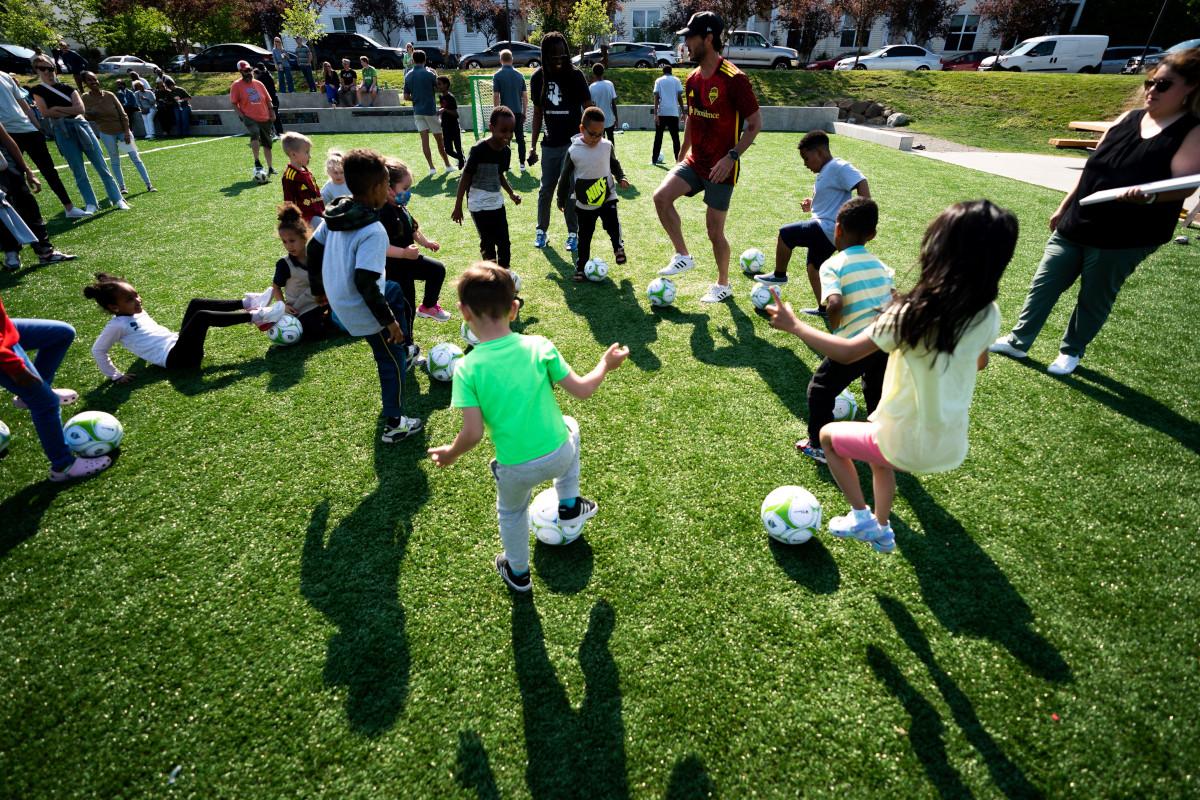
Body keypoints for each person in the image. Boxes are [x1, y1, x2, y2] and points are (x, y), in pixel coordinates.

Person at [766, 200, 1018, 554]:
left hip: (905, 441)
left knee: (828, 438)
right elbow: (979, 362)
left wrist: (796, 326)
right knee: (878, 456)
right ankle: (882, 528)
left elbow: (848, 352)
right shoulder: (987, 312)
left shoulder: (909, 314)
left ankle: (860, 514)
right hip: (949, 444)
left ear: (937, 249)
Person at [989, 49, 1200, 377]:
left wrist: (1147, 197)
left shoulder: (1191, 131)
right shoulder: (1127, 119)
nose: (1151, 90)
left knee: (1095, 296)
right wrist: (1064, 205)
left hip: (1127, 234)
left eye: (1163, 85)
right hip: (1079, 220)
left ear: (1190, 88)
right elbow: (1093, 168)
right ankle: (1018, 340)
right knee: (1045, 283)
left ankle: (1070, 352)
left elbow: (1183, 185)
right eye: (1150, 82)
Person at [427, 262, 629, 592]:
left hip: (515, 469)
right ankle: (569, 504)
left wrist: (450, 453)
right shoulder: (539, 346)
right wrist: (605, 364)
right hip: (559, 455)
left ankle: (518, 573)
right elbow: (583, 391)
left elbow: (473, 434)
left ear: (464, 312)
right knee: (570, 427)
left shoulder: (466, 368)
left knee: (511, 512)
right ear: (514, 309)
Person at [305, 148, 424, 442]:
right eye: (386, 185)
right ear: (375, 189)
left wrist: (319, 290)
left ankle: (405, 344)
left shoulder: (339, 210)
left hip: (339, 299)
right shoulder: (373, 230)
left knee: (395, 291)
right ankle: (395, 423)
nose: (389, 190)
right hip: (361, 308)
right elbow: (366, 282)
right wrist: (391, 324)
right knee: (391, 360)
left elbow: (313, 248)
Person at [653, 11, 762, 304]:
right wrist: (682, 151)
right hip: (695, 160)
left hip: (721, 167)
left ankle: (723, 284)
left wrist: (731, 157)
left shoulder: (735, 79)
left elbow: (755, 124)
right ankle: (683, 255)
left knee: (715, 232)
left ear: (708, 38)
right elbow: (692, 117)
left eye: (690, 37)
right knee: (661, 197)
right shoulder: (691, 79)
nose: (686, 43)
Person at [794, 198, 892, 464]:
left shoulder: (833, 265)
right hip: (882, 342)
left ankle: (819, 446)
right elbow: (893, 298)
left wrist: (836, 325)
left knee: (820, 389)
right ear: (872, 235)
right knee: (875, 390)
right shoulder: (882, 267)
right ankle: (880, 439)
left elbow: (834, 302)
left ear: (837, 229)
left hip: (854, 342)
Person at [85, 273, 285, 382]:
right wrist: (115, 375)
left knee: (195, 303)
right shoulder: (116, 326)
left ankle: (247, 303)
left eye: (136, 294)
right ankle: (257, 316)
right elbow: (98, 350)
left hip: (179, 344)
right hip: (178, 359)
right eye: (130, 299)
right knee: (201, 316)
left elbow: (144, 337)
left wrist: (143, 356)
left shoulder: (134, 312)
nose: (138, 299)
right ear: (114, 307)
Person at [755, 131, 870, 314]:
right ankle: (824, 308)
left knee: (786, 234)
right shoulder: (827, 171)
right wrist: (812, 203)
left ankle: (779, 275)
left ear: (819, 153)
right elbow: (831, 198)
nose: (805, 164)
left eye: (806, 158)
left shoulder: (838, 166)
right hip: (826, 230)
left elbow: (861, 181)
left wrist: (864, 215)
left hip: (827, 227)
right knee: (813, 268)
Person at [0, 296, 111, 481]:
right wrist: (17, 370)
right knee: (45, 404)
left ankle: (30, 397)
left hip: (5, 330)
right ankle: (64, 465)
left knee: (61, 333)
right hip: (3, 349)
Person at [27, 54, 128, 213]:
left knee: (101, 166)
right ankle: (91, 203)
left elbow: (80, 109)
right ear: (37, 70)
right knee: (78, 170)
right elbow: (45, 112)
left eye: (50, 68)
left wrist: (57, 110)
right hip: (62, 130)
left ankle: (117, 198)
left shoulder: (68, 87)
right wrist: (62, 111)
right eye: (42, 68)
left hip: (81, 127)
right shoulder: (37, 90)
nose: (47, 72)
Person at [529, 31, 591, 251]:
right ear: (544, 56)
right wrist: (532, 145)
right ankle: (541, 231)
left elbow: (589, 108)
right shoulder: (538, 78)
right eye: (553, 57)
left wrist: (593, 138)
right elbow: (537, 114)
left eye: (562, 56)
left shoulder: (576, 76)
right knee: (546, 189)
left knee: (571, 190)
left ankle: (573, 234)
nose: (558, 61)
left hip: (574, 144)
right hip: (550, 145)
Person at [556, 106, 629, 282]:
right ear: (582, 129)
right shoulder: (574, 150)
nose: (597, 138)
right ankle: (580, 268)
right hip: (584, 200)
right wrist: (561, 197)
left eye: (600, 134)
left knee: (613, 223)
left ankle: (618, 247)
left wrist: (621, 177)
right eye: (592, 134)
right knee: (585, 237)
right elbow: (564, 176)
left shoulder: (606, 146)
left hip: (607, 195)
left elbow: (614, 164)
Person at [0, 68, 85, 218]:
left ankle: (69, 208)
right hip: (7, 134)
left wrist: (37, 127)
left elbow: (23, 105)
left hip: (29, 130)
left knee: (50, 171)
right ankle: (22, 221)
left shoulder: (4, 76)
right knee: (15, 179)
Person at [382, 158, 451, 338]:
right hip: (395, 270)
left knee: (437, 270)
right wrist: (404, 253)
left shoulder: (400, 206)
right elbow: (380, 247)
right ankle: (407, 346)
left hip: (409, 262)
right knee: (406, 308)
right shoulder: (382, 212)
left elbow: (413, 230)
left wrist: (426, 242)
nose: (408, 193)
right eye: (405, 188)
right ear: (388, 189)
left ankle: (428, 306)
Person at [453, 107, 522, 270]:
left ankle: (505, 276)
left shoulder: (506, 152)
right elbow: (466, 177)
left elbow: (499, 175)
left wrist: (511, 193)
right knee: (488, 242)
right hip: (478, 204)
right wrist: (458, 205)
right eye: (503, 130)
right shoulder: (478, 150)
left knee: (504, 241)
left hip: (496, 202)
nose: (507, 135)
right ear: (491, 128)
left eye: (511, 131)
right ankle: (491, 276)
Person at [0, 120, 75, 269]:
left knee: (28, 206)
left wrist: (28, 171)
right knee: (2, 213)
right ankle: (11, 253)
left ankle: (45, 251)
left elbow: (8, 140)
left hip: (7, 167)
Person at [79, 72, 154, 195]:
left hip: (122, 131)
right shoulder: (85, 98)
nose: (93, 82)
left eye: (94, 79)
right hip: (106, 133)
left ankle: (149, 185)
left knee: (135, 158)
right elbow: (85, 116)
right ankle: (122, 187)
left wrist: (126, 132)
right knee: (114, 160)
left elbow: (123, 114)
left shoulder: (109, 95)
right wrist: (91, 115)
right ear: (85, 83)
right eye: (89, 80)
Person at [265, 203, 331, 340]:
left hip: (322, 303)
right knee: (315, 333)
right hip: (301, 309)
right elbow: (276, 286)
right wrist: (282, 306)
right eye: (284, 242)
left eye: (292, 241)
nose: (289, 246)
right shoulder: (284, 264)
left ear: (304, 236)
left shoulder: (316, 256)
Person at [404, 50, 452, 177]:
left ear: (413, 60)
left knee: (424, 141)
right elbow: (439, 88)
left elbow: (406, 97)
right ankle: (447, 165)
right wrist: (435, 74)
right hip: (430, 111)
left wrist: (416, 99)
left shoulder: (408, 75)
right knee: (439, 140)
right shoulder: (429, 73)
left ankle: (431, 168)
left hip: (417, 112)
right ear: (425, 60)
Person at [229, 60, 276, 178]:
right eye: (246, 70)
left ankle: (270, 167)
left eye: (250, 70)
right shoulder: (236, 85)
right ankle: (257, 161)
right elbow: (234, 103)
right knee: (254, 133)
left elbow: (268, 100)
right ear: (240, 71)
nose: (249, 72)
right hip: (249, 117)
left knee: (267, 143)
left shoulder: (259, 84)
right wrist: (241, 115)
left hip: (264, 116)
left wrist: (272, 112)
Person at [492, 49, 528, 171]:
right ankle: (522, 164)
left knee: (505, 138)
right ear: (512, 59)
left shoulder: (497, 75)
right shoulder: (519, 75)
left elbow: (496, 95)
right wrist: (524, 112)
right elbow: (525, 96)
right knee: (520, 138)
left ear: (501, 60)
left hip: (504, 114)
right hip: (517, 112)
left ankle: (507, 164)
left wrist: (496, 111)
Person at [280, 131, 324, 224]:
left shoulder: (306, 170)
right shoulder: (290, 176)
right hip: (306, 218)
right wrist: (291, 222)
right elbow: (288, 201)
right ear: (293, 155)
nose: (310, 156)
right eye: (307, 152)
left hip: (318, 213)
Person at [652, 64, 684, 165]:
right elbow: (679, 97)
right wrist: (683, 111)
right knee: (675, 138)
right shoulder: (676, 80)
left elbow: (656, 97)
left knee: (658, 137)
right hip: (673, 113)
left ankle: (654, 160)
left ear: (663, 71)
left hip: (662, 112)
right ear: (671, 71)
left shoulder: (659, 80)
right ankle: (678, 160)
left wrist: (656, 114)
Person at [437, 75, 465, 170]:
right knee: (448, 150)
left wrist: (444, 110)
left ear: (446, 85)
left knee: (458, 147)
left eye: (440, 84)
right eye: (437, 84)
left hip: (454, 127)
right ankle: (461, 159)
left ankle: (462, 161)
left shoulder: (451, 97)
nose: (438, 86)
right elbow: (443, 109)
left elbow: (456, 114)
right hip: (445, 127)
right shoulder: (441, 97)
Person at [588, 63, 618, 143]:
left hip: (598, 120)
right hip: (609, 119)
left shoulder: (591, 87)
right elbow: (613, 103)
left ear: (593, 74)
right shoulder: (610, 84)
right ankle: (612, 155)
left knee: (600, 141)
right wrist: (616, 118)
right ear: (603, 72)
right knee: (611, 139)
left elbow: (591, 106)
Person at [253, 62, 284, 137]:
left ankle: (274, 133)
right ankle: (278, 133)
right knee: (274, 116)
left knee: (272, 116)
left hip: (270, 100)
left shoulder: (263, 78)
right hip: (273, 98)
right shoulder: (267, 74)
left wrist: (256, 77)